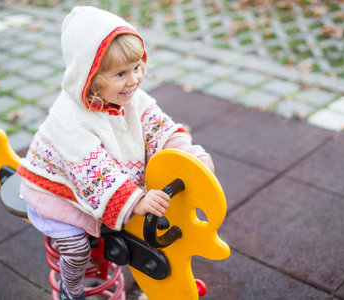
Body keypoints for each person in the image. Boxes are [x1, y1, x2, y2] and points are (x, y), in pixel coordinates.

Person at [17, 6, 214, 300]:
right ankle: (71, 291)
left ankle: (170, 283)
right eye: (121, 73)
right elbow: (94, 175)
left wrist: (189, 157)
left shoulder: (132, 98)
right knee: (77, 248)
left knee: (154, 225)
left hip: (103, 188)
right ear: (91, 77)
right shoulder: (71, 122)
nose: (134, 79)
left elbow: (158, 127)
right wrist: (135, 200)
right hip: (60, 191)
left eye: (137, 67)